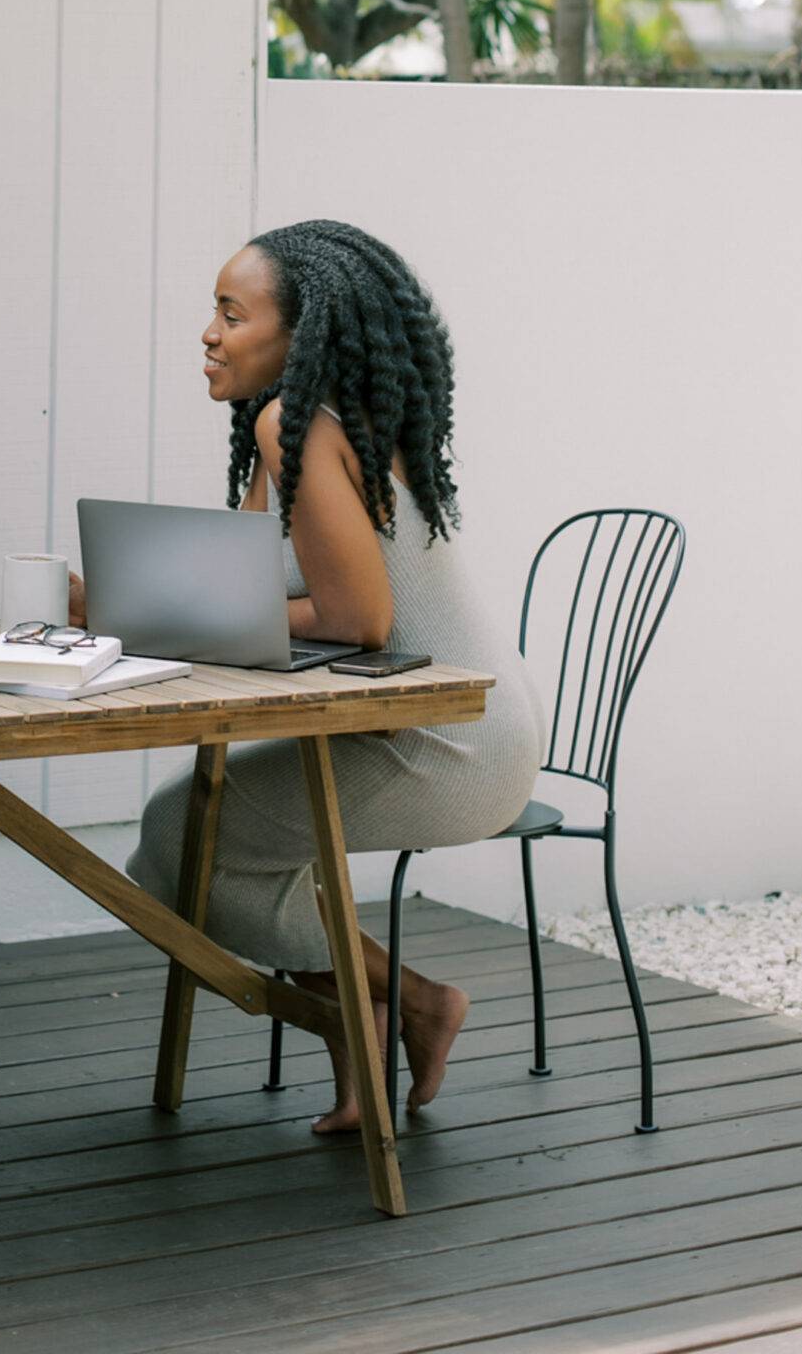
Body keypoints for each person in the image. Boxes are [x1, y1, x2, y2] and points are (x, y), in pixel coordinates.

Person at [124, 219, 543, 1133]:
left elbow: (357, 620)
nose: (207, 333)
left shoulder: (297, 424)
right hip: (450, 727)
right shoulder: (307, 421)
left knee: (182, 832)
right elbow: (253, 589)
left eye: (230, 315)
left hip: (444, 742)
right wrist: (122, 598)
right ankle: (374, 1039)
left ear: (298, 334)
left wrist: (161, 613)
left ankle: (417, 1001)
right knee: (217, 827)